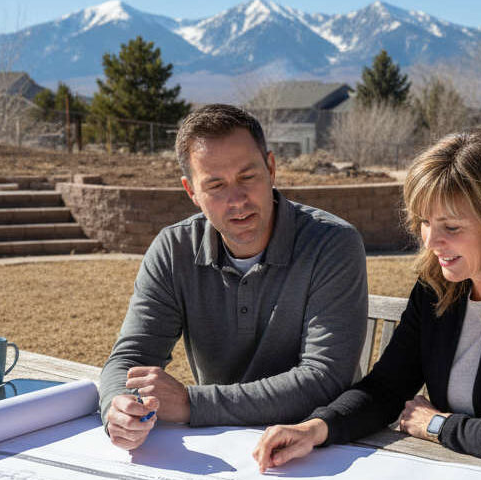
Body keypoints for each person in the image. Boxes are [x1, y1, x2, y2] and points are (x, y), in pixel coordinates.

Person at [253, 129, 481, 472]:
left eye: (451, 228)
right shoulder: (438, 285)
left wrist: (438, 426)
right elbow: (387, 388)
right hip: (471, 476)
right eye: (424, 222)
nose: (430, 242)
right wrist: (317, 428)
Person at [100, 104, 368, 450]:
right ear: (191, 192)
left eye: (248, 177)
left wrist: (193, 404)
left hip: (320, 449)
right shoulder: (173, 249)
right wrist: (119, 409)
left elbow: (325, 379)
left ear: (271, 169)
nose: (237, 200)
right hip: (221, 445)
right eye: (215, 185)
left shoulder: (332, 243)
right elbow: (129, 359)